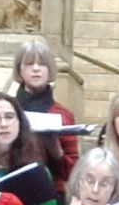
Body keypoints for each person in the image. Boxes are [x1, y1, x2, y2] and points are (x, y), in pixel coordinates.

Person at [13, 39, 76, 193]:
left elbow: (74, 173)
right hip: (11, 191)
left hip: (52, 194)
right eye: (29, 64)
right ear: (19, 70)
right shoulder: (7, 112)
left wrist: (57, 152)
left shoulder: (63, 115)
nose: (36, 69)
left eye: (42, 64)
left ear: (50, 70)